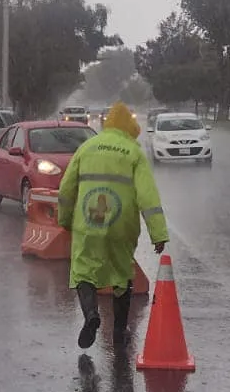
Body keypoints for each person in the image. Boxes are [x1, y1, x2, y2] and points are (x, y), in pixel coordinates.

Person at [57, 102, 169, 350]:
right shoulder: (133, 152)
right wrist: (158, 234)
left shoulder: (86, 147)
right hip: (122, 224)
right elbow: (148, 197)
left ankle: (91, 315)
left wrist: (64, 219)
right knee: (121, 274)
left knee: (83, 271)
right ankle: (119, 331)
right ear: (130, 128)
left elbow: (66, 190)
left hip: (87, 222)